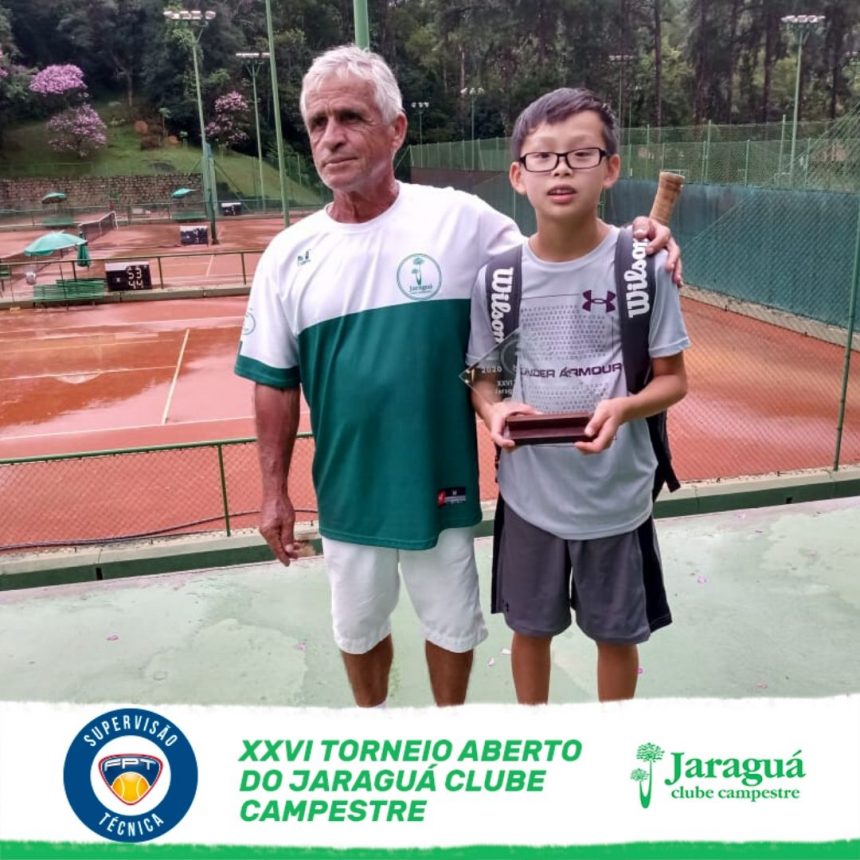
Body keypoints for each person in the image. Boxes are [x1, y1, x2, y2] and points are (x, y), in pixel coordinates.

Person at [235, 46, 680, 708]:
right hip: (347, 492)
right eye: (318, 123)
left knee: (451, 627)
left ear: (396, 129)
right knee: (357, 630)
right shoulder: (286, 255)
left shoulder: (460, 220)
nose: (331, 137)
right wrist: (273, 492)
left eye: (351, 117)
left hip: (441, 482)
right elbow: (274, 382)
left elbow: (558, 247)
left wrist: (641, 239)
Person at [467, 87, 690, 705]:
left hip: (616, 498)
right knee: (529, 631)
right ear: (519, 175)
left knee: (616, 638)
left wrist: (624, 408)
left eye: (580, 154)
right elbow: (484, 378)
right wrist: (493, 410)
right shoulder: (498, 278)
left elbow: (673, 380)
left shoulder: (643, 268)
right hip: (530, 497)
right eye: (543, 157)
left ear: (610, 168)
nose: (561, 170)